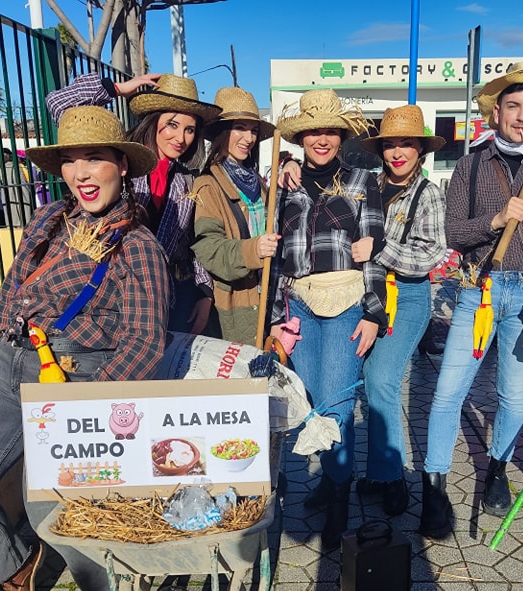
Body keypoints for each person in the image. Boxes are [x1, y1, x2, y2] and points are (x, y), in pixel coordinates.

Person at [0, 106, 171, 591]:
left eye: (95, 158)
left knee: (54, 511)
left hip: (76, 379)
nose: (81, 172)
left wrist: (84, 411)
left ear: (122, 166)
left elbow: (143, 343)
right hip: (9, 363)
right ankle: (14, 563)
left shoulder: (137, 246)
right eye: (69, 160)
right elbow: (12, 289)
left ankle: (103, 588)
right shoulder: (44, 222)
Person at [419, 62, 523, 532]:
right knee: (446, 394)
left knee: (513, 398)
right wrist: (497, 220)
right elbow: (452, 232)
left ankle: (498, 471)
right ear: (496, 112)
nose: (522, 117)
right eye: (513, 107)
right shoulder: (472, 163)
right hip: (477, 291)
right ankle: (435, 490)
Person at [271, 88, 386, 549]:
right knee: (311, 403)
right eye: (313, 131)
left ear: (341, 135)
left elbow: (373, 249)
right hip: (298, 300)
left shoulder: (364, 179)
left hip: (345, 303)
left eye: (330, 131)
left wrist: (374, 313)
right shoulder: (283, 183)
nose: (322, 139)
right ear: (302, 137)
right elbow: (274, 252)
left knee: (337, 406)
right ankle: (326, 484)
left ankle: (339, 508)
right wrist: (275, 316)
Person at [46, 72, 222, 337]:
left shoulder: (185, 181)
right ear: (153, 122)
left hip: (162, 297)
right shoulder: (118, 162)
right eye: (172, 125)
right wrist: (114, 88)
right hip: (104, 295)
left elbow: (188, 243)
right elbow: (60, 104)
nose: (181, 138)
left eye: (189, 130)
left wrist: (205, 291)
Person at [350, 105, 447, 522]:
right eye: (390, 144)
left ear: (420, 149)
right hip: (364, 294)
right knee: (366, 384)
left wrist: (381, 249)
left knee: (382, 380)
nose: (397, 152)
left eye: (406, 143)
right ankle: (377, 470)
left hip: (406, 297)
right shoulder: (365, 185)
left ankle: (394, 480)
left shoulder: (429, 193)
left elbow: (430, 255)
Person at [190, 87, 280, 345]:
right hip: (233, 304)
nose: (249, 138)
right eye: (240, 128)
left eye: (253, 130)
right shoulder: (207, 185)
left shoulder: (259, 184)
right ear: (221, 133)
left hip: (266, 300)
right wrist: (254, 249)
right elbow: (209, 249)